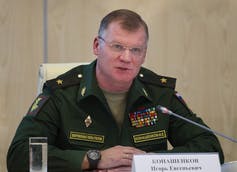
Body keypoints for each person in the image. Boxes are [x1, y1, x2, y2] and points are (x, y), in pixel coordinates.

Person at [7, 9, 224, 172]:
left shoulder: (160, 94)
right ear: (96, 46)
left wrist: (148, 163)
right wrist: (93, 158)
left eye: (136, 50)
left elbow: (212, 150)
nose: (127, 58)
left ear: (144, 55)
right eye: (117, 47)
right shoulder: (62, 94)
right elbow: (20, 156)